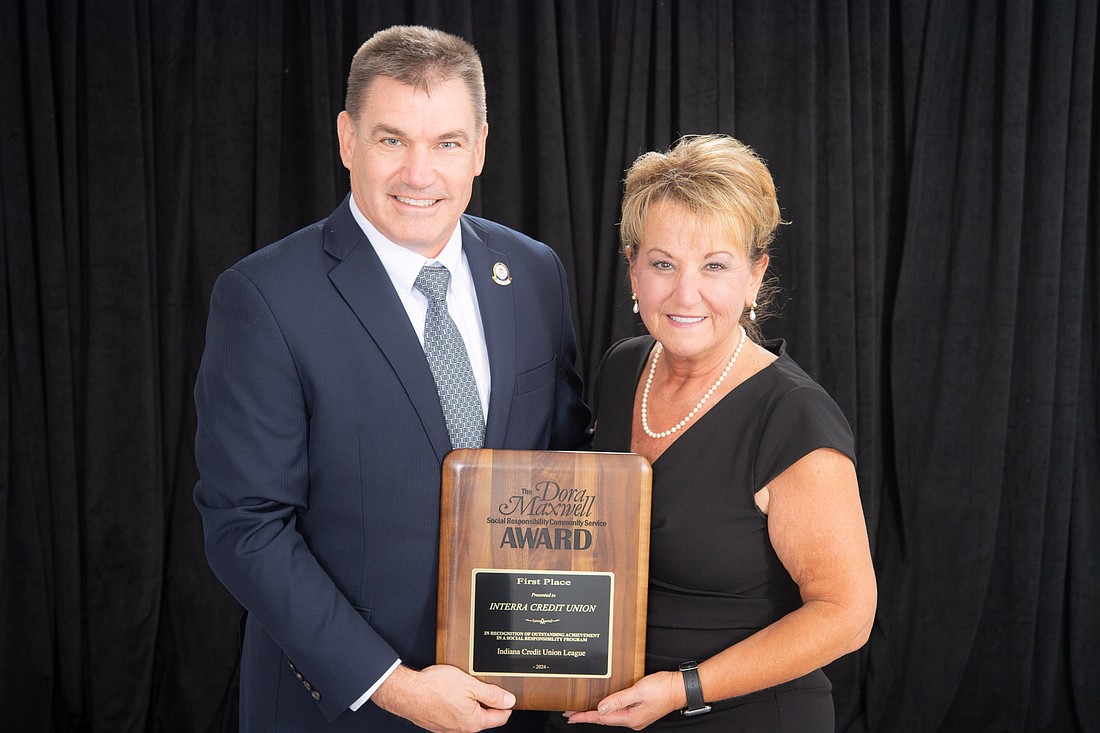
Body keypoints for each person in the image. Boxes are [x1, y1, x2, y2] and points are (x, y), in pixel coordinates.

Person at [193, 25, 589, 732]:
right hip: (344, 709)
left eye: (446, 143)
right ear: (347, 140)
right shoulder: (265, 297)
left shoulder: (533, 273)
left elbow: (563, 474)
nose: (419, 172)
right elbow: (246, 528)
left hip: (514, 703)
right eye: (391, 139)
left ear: (481, 148)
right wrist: (394, 685)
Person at [558, 135, 876, 731]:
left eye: (715, 266)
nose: (685, 294)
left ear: (755, 275)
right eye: (662, 263)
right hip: (612, 709)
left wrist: (685, 689)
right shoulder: (622, 368)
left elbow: (847, 614)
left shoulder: (793, 415)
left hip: (741, 713)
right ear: (632, 269)